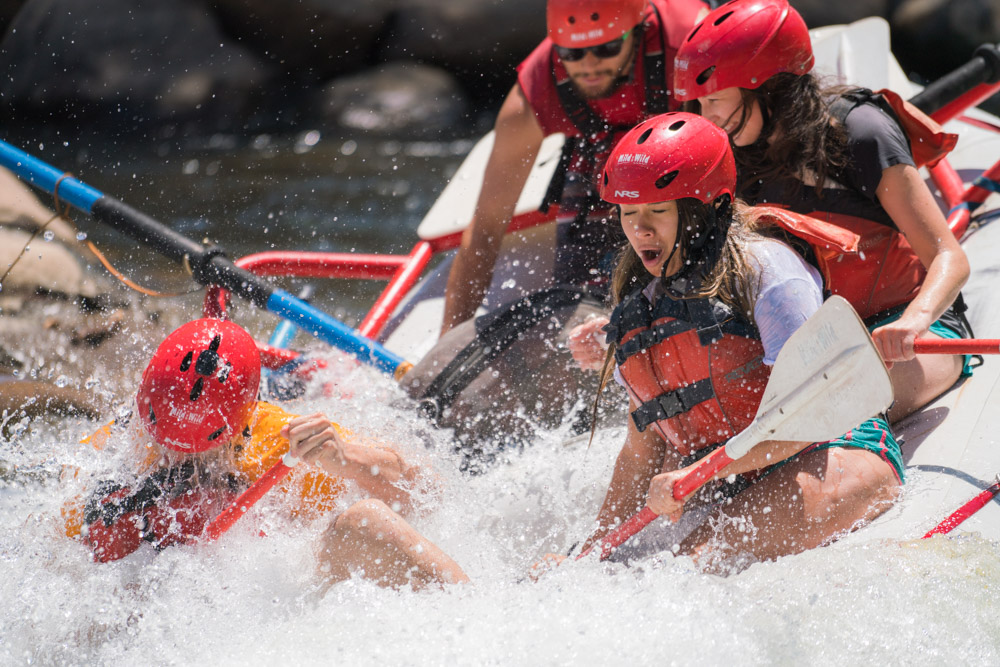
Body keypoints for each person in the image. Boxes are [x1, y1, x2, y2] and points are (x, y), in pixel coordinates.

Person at [573, 113, 902, 572]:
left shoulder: (768, 273)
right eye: (630, 213)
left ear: (707, 207)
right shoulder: (643, 299)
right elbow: (640, 449)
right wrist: (590, 551)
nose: (640, 230)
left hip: (831, 451)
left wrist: (702, 472)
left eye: (658, 210)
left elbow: (815, 413)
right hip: (728, 475)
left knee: (691, 568)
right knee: (611, 571)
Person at [671, 0, 973, 421]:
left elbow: (949, 257)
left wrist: (914, 322)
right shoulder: (733, 153)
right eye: (699, 105)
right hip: (818, 340)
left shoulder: (862, 133)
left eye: (716, 100)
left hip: (911, 331)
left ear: (770, 86)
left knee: (829, 413)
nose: (709, 119)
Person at [62, 318, 467, 588]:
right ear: (141, 402)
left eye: (199, 451)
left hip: (275, 595)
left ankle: (480, 624)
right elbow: (52, 562)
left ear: (242, 429)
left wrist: (348, 459)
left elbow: (429, 493)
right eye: (162, 440)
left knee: (367, 521)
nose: (175, 458)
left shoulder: (279, 440)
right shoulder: (106, 457)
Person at [441, 0, 707, 334]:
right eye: (573, 54)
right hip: (599, 160)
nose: (590, 65)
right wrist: (445, 356)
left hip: (685, 158)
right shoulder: (535, 89)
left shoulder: (690, 40)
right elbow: (485, 231)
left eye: (607, 47)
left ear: (638, 32)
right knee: (579, 317)